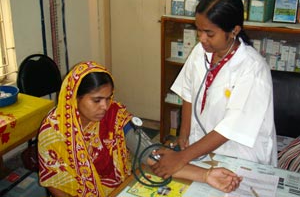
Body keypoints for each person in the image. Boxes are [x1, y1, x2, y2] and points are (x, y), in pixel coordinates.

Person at [38, 61, 241, 197]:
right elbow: (55, 183)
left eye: (108, 98)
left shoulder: (114, 116)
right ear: (74, 98)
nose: (105, 107)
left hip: (119, 187)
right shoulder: (53, 132)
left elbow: (150, 154)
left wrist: (205, 175)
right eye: (96, 100)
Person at [151, 0, 277, 180]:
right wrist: (183, 136)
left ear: (234, 31)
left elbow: (231, 127)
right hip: (200, 148)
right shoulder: (200, 52)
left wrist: (181, 157)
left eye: (209, 33)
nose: (201, 38)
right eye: (198, 30)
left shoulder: (253, 69)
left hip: (239, 153)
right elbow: (188, 92)